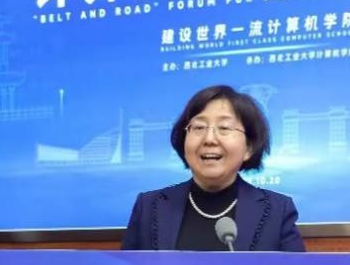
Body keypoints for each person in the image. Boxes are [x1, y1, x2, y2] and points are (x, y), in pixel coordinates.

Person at [121, 85, 305, 252]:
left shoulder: (277, 211)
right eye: (199, 127)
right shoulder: (148, 206)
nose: (209, 139)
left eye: (224, 127)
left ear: (249, 148)